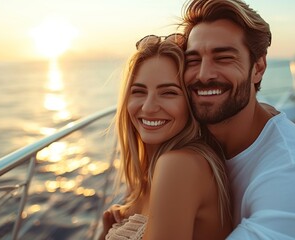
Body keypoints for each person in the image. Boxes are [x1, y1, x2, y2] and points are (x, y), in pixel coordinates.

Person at [180, 0, 295, 239]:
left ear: (258, 68)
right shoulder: (192, 139)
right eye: (193, 61)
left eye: (223, 58)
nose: (203, 74)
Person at [98, 34, 232, 240]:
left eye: (168, 93)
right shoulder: (145, 175)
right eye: (138, 92)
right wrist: (109, 231)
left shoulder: (179, 165)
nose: (149, 107)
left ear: (190, 103)